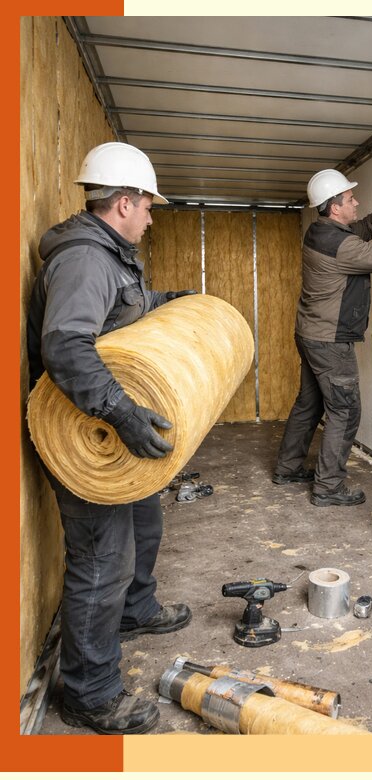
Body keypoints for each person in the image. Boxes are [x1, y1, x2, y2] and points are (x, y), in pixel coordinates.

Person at [27, 142, 199, 734]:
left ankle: (137, 609)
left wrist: (171, 302)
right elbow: (67, 346)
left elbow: (123, 311)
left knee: (144, 520)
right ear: (123, 202)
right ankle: (90, 692)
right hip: (81, 431)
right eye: (148, 206)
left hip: (104, 425)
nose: (152, 217)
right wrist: (122, 413)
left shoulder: (111, 255)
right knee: (102, 556)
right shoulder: (85, 260)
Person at [272, 169, 372, 506]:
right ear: (335, 207)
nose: (356, 202)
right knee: (345, 411)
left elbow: (358, 232)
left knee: (310, 403)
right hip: (330, 342)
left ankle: (288, 467)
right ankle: (329, 487)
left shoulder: (320, 231)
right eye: (351, 199)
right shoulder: (339, 244)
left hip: (309, 332)